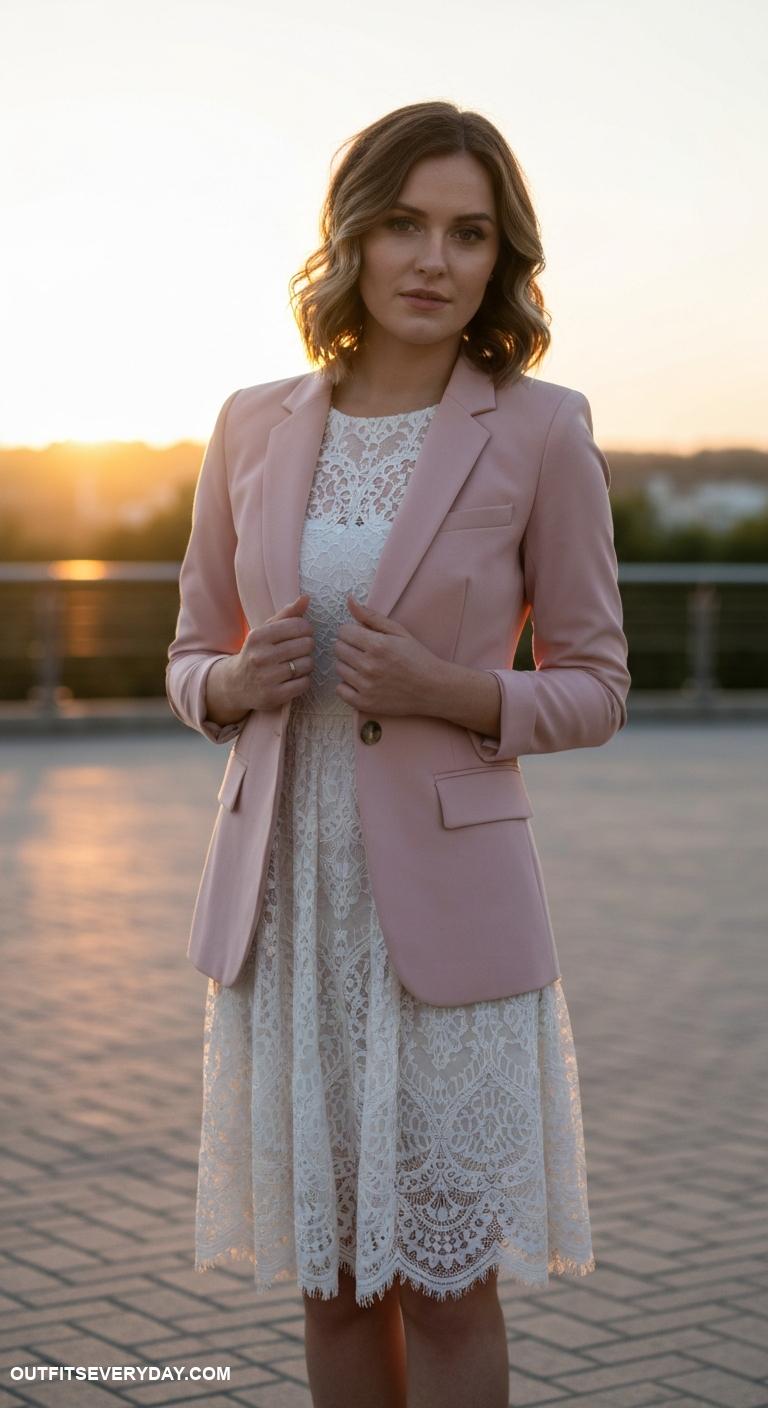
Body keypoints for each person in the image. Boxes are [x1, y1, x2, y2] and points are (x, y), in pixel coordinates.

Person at [166, 100, 631, 1408]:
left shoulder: (540, 429)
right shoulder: (252, 423)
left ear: (501, 258)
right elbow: (189, 647)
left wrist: (458, 692)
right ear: (353, 241)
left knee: (444, 1283)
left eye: (469, 232)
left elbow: (596, 686)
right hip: (290, 913)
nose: (435, 258)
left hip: (448, 920)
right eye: (405, 224)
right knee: (334, 1281)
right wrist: (228, 683)